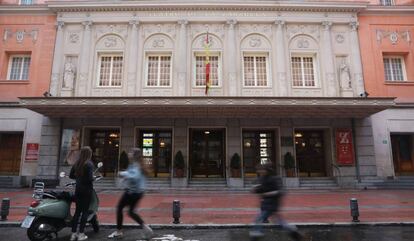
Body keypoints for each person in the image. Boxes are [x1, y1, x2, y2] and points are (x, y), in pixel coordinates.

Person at [108, 148, 154, 240]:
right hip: (138, 192)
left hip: (132, 192)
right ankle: (146, 228)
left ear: (134, 155)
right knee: (131, 212)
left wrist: (123, 173)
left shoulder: (136, 165)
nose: (129, 154)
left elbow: (135, 176)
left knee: (119, 208)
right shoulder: (136, 164)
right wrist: (125, 178)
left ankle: (119, 231)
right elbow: (132, 175)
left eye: (131, 152)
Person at [250, 164, 302, 241]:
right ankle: (293, 231)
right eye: (258, 170)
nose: (259, 172)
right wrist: (255, 190)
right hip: (265, 203)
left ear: (267, 170)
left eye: (261, 170)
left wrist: (269, 193)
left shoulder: (275, 178)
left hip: (272, 203)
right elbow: (261, 189)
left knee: (259, 218)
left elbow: (281, 191)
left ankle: (255, 235)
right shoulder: (262, 179)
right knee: (278, 220)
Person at [69, 146, 95, 241]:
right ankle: (81, 234)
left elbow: (71, 175)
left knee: (77, 212)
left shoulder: (77, 163)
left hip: (78, 190)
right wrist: (93, 178)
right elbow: (89, 178)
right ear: (89, 154)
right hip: (86, 190)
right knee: (84, 212)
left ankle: (73, 234)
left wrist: (79, 178)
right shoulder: (89, 164)